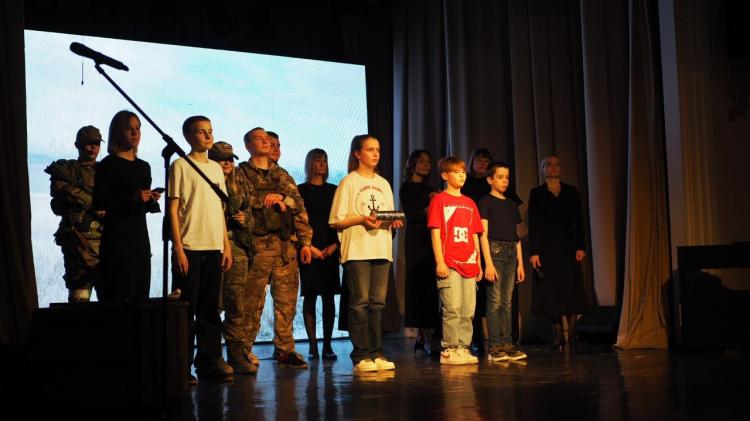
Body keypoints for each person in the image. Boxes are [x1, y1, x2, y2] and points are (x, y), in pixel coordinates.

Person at [235, 127, 313, 369]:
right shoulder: (240, 174)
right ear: (248, 146)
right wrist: (265, 201)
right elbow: (237, 203)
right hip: (255, 248)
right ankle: (242, 351)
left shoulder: (282, 175)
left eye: (268, 139)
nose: (266, 142)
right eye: (260, 139)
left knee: (286, 302)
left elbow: (298, 206)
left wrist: (305, 243)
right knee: (250, 303)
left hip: (284, 248)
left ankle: (285, 349)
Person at [329, 134, 403, 373]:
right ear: (357, 153)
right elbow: (336, 220)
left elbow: (386, 215)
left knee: (377, 304)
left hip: (380, 248)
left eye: (378, 150)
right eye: (370, 149)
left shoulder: (383, 183)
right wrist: (361, 219)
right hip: (357, 250)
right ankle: (361, 354)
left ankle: (376, 352)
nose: (375, 154)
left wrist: (392, 222)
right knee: (359, 303)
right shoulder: (348, 182)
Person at [169, 116, 234, 382]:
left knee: (210, 309)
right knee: (186, 309)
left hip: (213, 246)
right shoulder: (180, 165)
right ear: (188, 136)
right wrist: (179, 248)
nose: (208, 136)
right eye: (201, 132)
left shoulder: (216, 169)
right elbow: (173, 209)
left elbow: (219, 209)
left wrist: (225, 245)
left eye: (210, 131)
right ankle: (181, 366)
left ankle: (209, 362)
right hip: (190, 246)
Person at [92, 110, 161, 301]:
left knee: (140, 296)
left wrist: (150, 199)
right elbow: (99, 204)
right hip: (117, 241)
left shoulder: (144, 167)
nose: (135, 132)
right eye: (129, 128)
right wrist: (132, 199)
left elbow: (140, 209)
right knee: (118, 297)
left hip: (140, 240)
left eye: (138, 128)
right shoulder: (107, 165)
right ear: (117, 132)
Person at [528, 154, 588, 352]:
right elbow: (534, 224)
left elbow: (579, 221)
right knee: (551, 291)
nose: (553, 167)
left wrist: (581, 246)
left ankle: (572, 334)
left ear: (561, 169)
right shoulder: (536, 193)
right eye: (549, 165)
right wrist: (534, 252)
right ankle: (558, 336)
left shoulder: (571, 192)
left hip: (569, 247)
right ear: (543, 169)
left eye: (557, 164)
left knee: (571, 289)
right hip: (546, 249)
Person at [208, 141, 258, 375]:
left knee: (236, 303)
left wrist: (244, 219)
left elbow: (251, 214)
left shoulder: (240, 183)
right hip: (211, 246)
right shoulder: (207, 181)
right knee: (213, 304)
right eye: (222, 159)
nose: (227, 163)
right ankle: (212, 355)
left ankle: (236, 354)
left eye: (230, 159)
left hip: (237, 246)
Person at [427, 156, 483, 365]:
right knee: (453, 308)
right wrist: (440, 262)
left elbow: (475, 234)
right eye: (456, 172)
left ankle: (463, 347)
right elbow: (435, 232)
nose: (461, 175)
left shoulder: (470, 203)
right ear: (445, 175)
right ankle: (449, 349)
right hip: (450, 262)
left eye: (463, 172)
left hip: (469, 263)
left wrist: (478, 262)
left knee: (468, 310)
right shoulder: (439, 200)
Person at [45, 125, 104, 302]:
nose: (93, 147)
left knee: (109, 300)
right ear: (77, 145)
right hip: (78, 243)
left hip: (106, 242)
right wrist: (93, 203)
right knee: (79, 298)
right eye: (88, 143)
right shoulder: (67, 170)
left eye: (96, 143)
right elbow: (60, 191)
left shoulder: (107, 170)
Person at [478, 161, 527, 362]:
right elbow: (483, 234)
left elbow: (517, 237)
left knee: (507, 302)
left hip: (511, 253)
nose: (505, 181)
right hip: (494, 251)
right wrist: (488, 263)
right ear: (490, 179)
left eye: (507, 177)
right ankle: (495, 345)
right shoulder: (485, 202)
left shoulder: (511, 204)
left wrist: (521, 263)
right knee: (495, 300)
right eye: (500, 177)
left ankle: (508, 343)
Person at [298, 148, 341, 360]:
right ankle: (313, 346)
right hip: (309, 250)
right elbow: (298, 222)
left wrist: (335, 246)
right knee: (310, 296)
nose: (322, 163)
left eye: (325, 160)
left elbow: (340, 220)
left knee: (328, 298)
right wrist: (309, 247)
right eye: (317, 160)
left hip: (330, 249)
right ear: (310, 163)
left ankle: (328, 345)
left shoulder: (334, 190)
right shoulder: (300, 190)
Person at [400, 149, 441, 353]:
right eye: (422, 161)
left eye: (428, 162)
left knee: (431, 287)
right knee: (418, 284)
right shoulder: (407, 187)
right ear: (412, 164)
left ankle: (424, 335)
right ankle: (424, 335)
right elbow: (413, 214)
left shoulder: (432, 189)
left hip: (432, 237)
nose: (426, 165)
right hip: (416, 239)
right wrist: (433, 203)